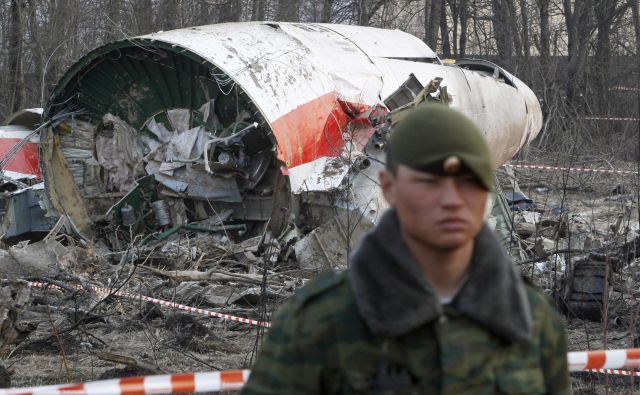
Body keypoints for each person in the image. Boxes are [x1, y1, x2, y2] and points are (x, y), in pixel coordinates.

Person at [241, 105, 571, 394]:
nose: (452, 200)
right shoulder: (320, 323)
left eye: (469, 182)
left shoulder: (531, 317)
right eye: (430, 182)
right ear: (390, 188)